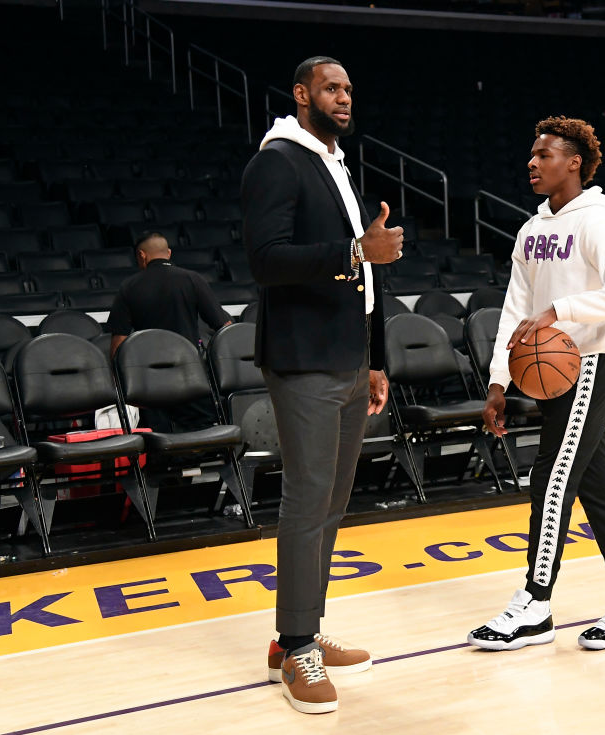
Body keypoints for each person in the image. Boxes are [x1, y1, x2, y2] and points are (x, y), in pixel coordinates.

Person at [240, 56, 403, 715]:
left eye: (349, 89)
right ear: (303, 93)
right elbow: (265, 259)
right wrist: (354, 251)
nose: (343, 97)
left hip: (345, 356)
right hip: (302, 357)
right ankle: (298, 646)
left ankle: (296, 632)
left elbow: (368, 279)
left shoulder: (332, 163)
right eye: (331, 87)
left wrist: (376, 356)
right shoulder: (278, 160)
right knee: (307, 504)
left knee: (331, 505)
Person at [469, 116, 605, 652]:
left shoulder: (595, 223)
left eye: (544, 155)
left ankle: (534, 604)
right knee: (594, 484)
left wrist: (562, 310)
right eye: (532, 155)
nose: (532, 163)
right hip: (552, 372)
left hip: (592, 361)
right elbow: (514, 308)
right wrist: (499, 381)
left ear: (573, 162)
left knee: (551, 479)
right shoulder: (531, 231)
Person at [108, 232, 232, 431]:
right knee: (203, 431)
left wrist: (117, 382)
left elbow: (119, 341)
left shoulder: (129, 287)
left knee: (159, 436)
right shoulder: (192, 279)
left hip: (148, 380)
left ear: (142, 255)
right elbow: (224, 327)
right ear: (168, 253)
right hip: (191, 375)